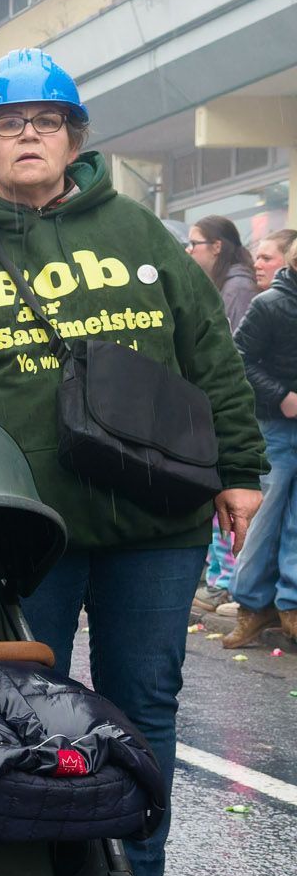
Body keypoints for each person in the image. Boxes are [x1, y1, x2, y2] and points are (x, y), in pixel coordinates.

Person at [0, 48, 265, 876]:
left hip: (155, 520)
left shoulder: (138, 234)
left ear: (74, 139)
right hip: (21, 528)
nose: (28, 135)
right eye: (8, 124)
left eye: (46, 121)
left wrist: (240, 469)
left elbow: (208, 352)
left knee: (147, 701)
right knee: (21, 709)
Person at [224, 236, 297, 651]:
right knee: (264, 520)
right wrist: (281, 396)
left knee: (295, 523)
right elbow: (238, 358)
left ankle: (290, 607)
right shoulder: (269, 304)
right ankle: (251, 606)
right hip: (275, 425)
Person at [187, 215, 260, 610]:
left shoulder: (236, 289)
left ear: (217, 246)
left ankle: (223, 583)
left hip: (233, 417)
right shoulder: (226, 284)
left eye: (195, 243)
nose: (190, 251)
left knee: (233, 514)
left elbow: (230, 361)